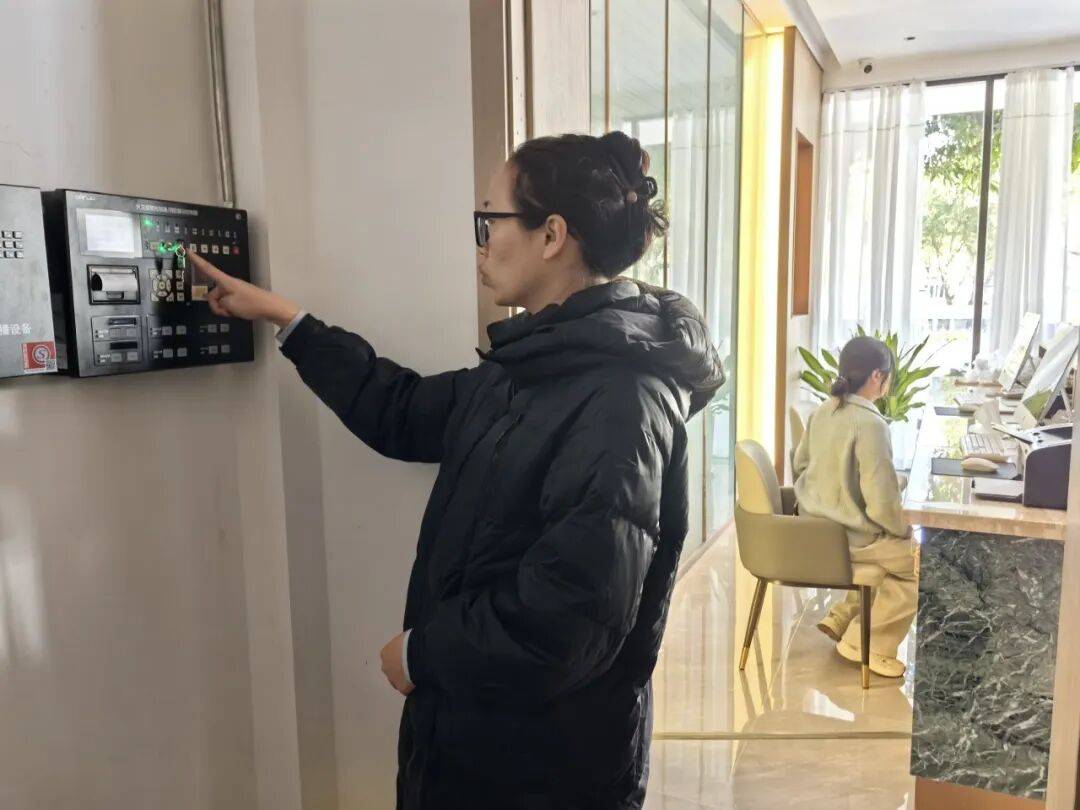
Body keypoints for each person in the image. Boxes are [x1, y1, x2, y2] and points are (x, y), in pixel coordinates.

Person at [187, 131, 725, 809]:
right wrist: (285, 319)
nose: (480, 243)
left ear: (552, 235)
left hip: (546, 768)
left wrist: (422, 655)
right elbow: (402, 410)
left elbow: (569, 619)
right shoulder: (531, 366)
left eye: (489, 220)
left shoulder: (622, 400)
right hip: (476, 737)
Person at [792, 335, 917, 678]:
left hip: (809, 530)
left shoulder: (822, 411)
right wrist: (903, 529)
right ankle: (868, 644)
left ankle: (842, 617)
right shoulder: (872, 424)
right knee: (916, 563)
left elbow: (801, 465)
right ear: (877, 376)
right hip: (847, 538)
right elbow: (881, 505)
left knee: (888, 555)